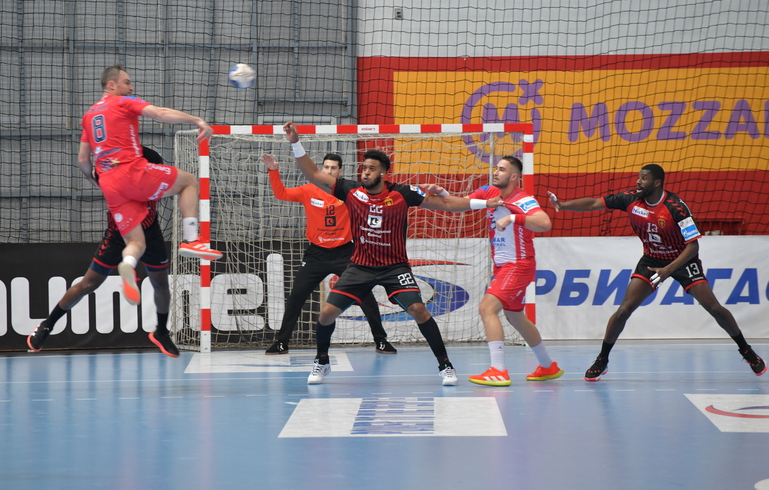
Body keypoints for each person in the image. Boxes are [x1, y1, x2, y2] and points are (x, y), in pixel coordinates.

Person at [283, 121, 505, 386]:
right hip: (360, 266)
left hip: (394, 268)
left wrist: (485, 203)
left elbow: (446, 203)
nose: (365, 172)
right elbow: (313, 175)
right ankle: (322, 361)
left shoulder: (402, 194)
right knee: (326, 314)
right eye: (364, 168)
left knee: (419, 310)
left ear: (384, 173)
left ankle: (445, 365)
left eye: (371, 169)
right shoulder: (350, 191)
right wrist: (296, 143)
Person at [548, 164, 766, 380]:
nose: (638, 181)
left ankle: (746, 351)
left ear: (657, 182)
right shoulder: (630, 199)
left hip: (682, 260)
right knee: (624, 310)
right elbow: (595, 203)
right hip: (652, 260)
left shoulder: (676, 208)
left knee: (714, 308)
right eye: (638, 177)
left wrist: (668, 270)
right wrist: (562, 205)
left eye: (643, 178)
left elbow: (693, 246)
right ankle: (602, 359)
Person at [78, 65, 223, 307]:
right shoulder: (123, 102)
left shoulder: (89, 116)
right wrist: (197, 120)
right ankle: (191, 239)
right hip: (131, 171)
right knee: (188, 181)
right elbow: (160, 113)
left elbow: (83, 160)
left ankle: (128, 264)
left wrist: (94, 179)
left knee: (136, 243)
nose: (131, 87)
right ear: (111, 85)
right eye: (126, 82)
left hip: (110, 185)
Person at [27, 147, 180, 357]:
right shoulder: (113, 178)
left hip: (150, 234)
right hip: (118, 236)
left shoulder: (153, 175)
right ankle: (47, 325)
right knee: (88, 284)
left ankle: (161, 332)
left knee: (161, 285)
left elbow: (165, 172)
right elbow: (90, 171)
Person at [427, 156, 563, 386]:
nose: (495, 172)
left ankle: (498, 370)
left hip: (518, 265)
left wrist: (512, 217)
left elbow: (544, 222)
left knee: (486, 308)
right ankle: (547, 366)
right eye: (496, 168)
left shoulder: (523, 199)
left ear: (514, 177)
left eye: (501, 169)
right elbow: (463, 204)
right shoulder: (488, 192)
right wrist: (443, 193)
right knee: (515, 316)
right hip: (502, 266)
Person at [260, 153, 397, 355]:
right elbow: (281, 194)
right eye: (326, 167)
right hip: (316, 255)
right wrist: (273, 170)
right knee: (296, 296)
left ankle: (381, 341)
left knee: (365, 295)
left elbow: (377, 196)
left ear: (340, 171)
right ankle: (282, 343)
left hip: (345, 253)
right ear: (321, 169)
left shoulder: (351, 192)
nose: (329, 171)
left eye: (333, 168)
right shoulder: (308, 190)